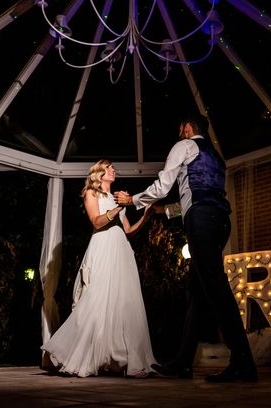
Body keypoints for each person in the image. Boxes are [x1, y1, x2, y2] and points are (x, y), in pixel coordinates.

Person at [114, 113, 257, 383]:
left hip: (201, 221)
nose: (179, 134)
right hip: (219, 221)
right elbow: (198, 194)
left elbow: (164, 184)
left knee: (216, 288)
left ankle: (243, 363)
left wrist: (132, 199)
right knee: (197, 291)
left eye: (181, 129)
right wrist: (165, 211)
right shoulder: (216, 158)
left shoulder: (184, 146)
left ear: (188, 128)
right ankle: (183, 362)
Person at [41, 160, 156, 378]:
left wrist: (145, 217)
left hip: (121, 250)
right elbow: (96, 221)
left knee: (123, 301)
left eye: (113, 168)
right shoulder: (91, 194)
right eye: (109, 167)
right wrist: (116, 210)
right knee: (97, 299)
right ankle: (82, 354)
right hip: (102, 248)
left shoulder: (116, 198)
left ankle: (121, 358)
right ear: (99, 174)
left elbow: (129, 230)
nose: (113, 170)